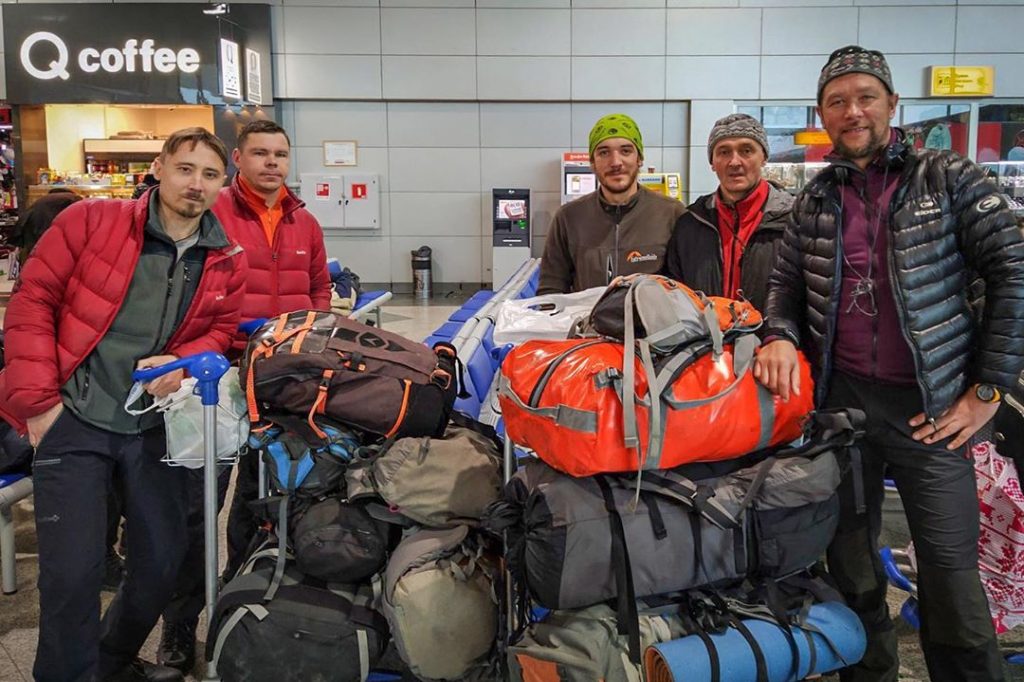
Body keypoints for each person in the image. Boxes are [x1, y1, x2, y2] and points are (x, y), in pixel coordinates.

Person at [754, 45, 1024, 682]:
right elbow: (785, 289)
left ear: (892, 104)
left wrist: (988, 388)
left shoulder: (950, 178)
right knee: (850, 565)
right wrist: (781, 336)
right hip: (841, 408)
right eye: (837, 102)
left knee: (951, 578)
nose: (853, 112)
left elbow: (1013, 272)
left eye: (865, 97)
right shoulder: (816, 198)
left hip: (929, 413)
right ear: (823, 115)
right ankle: (867, 673)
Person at [0, 127, 246, 682]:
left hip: (152, 427)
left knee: (160, 563)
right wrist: (39, 406)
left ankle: (109, 661)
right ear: (159, 168)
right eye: (185, 169)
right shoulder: (92, 222)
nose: (196, 184)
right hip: (75, 420)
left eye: (209, 175)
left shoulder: (226, 256)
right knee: (72, 575)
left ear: (221, 183)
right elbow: (33, 302)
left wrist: (181, 360)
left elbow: (220, 331)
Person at [156, 119, 331, 672]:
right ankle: (179, 628)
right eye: (260, 153)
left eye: (280, 153)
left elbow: (320, 291)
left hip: (283, 380)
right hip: (219, 378)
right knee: (197, 506)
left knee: (263, 503)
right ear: (238, 158)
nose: (272, 163)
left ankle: (241, 611)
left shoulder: (305, 222)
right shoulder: (214, 213)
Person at [538, 113, 685, 295]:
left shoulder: (671, 214)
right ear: (592, 162)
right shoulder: (569, 218)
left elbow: (685, 291)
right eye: (604, 152)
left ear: (639, 158)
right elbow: (550, 291)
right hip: (588, 322)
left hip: (652, 323)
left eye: (625, 151)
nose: (615, 162)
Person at [662, 113, 791, 311]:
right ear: (712, 163)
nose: (734, 162)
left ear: (764, 157)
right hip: (705, 340)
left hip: (771, 341)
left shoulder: (793, 220)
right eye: (723, 152)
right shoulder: (690, 224)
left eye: (746, 150)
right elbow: (675, 294)